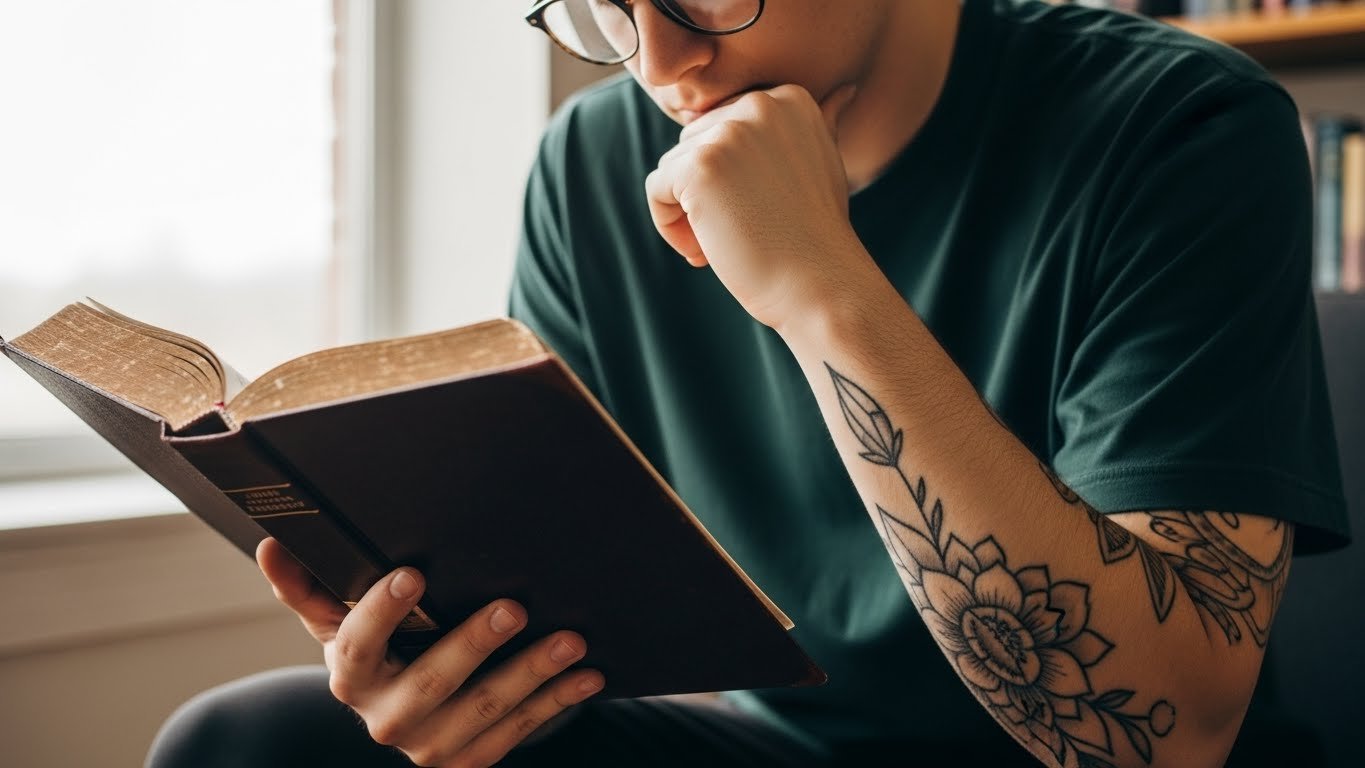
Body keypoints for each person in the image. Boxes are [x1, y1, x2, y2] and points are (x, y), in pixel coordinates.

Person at [146, 0, 1349, 766]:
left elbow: (1165, 740)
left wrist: (823, 283)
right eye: (603, 8)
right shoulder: (591, 163)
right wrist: (449, 672)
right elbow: (571, 578)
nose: (660, 61)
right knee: (249, 742)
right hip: (778, 746)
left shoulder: (1181, 127)